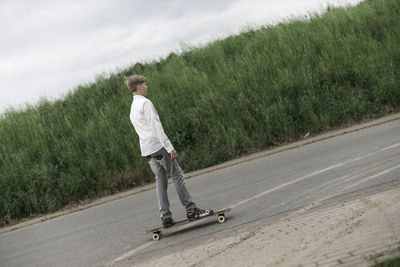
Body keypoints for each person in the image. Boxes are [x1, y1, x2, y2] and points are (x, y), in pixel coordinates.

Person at [126, 74, 213, 228]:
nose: (147, 87)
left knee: (160, 180)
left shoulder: (133, 106)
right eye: (145, 84)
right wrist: (169, 147)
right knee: (177, 175)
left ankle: (165, 217)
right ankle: (191, 210)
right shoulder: (145, 103)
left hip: (146, 149)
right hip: (157, 146)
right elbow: (156, 126)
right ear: (139, 86)